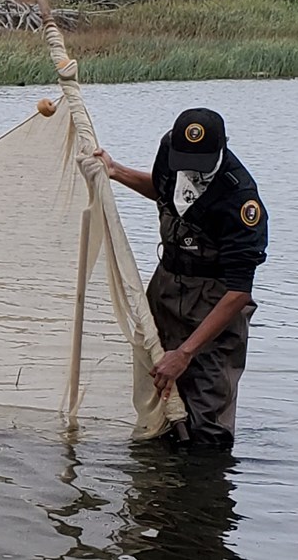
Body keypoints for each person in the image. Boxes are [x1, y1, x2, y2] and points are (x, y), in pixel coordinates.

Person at [93, 107, 268, 449]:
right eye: (185, 158)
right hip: (167, 286)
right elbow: (163, 191)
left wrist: (185, 353)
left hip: (216, 303)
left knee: (207, 425)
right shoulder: (171, 152)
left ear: (222, 150)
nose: (189, 167)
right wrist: (115, 172)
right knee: (161, 397)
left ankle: (202, 491)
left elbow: (238, 293)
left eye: (199, 162)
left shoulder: (241, 203)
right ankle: (162, 487)